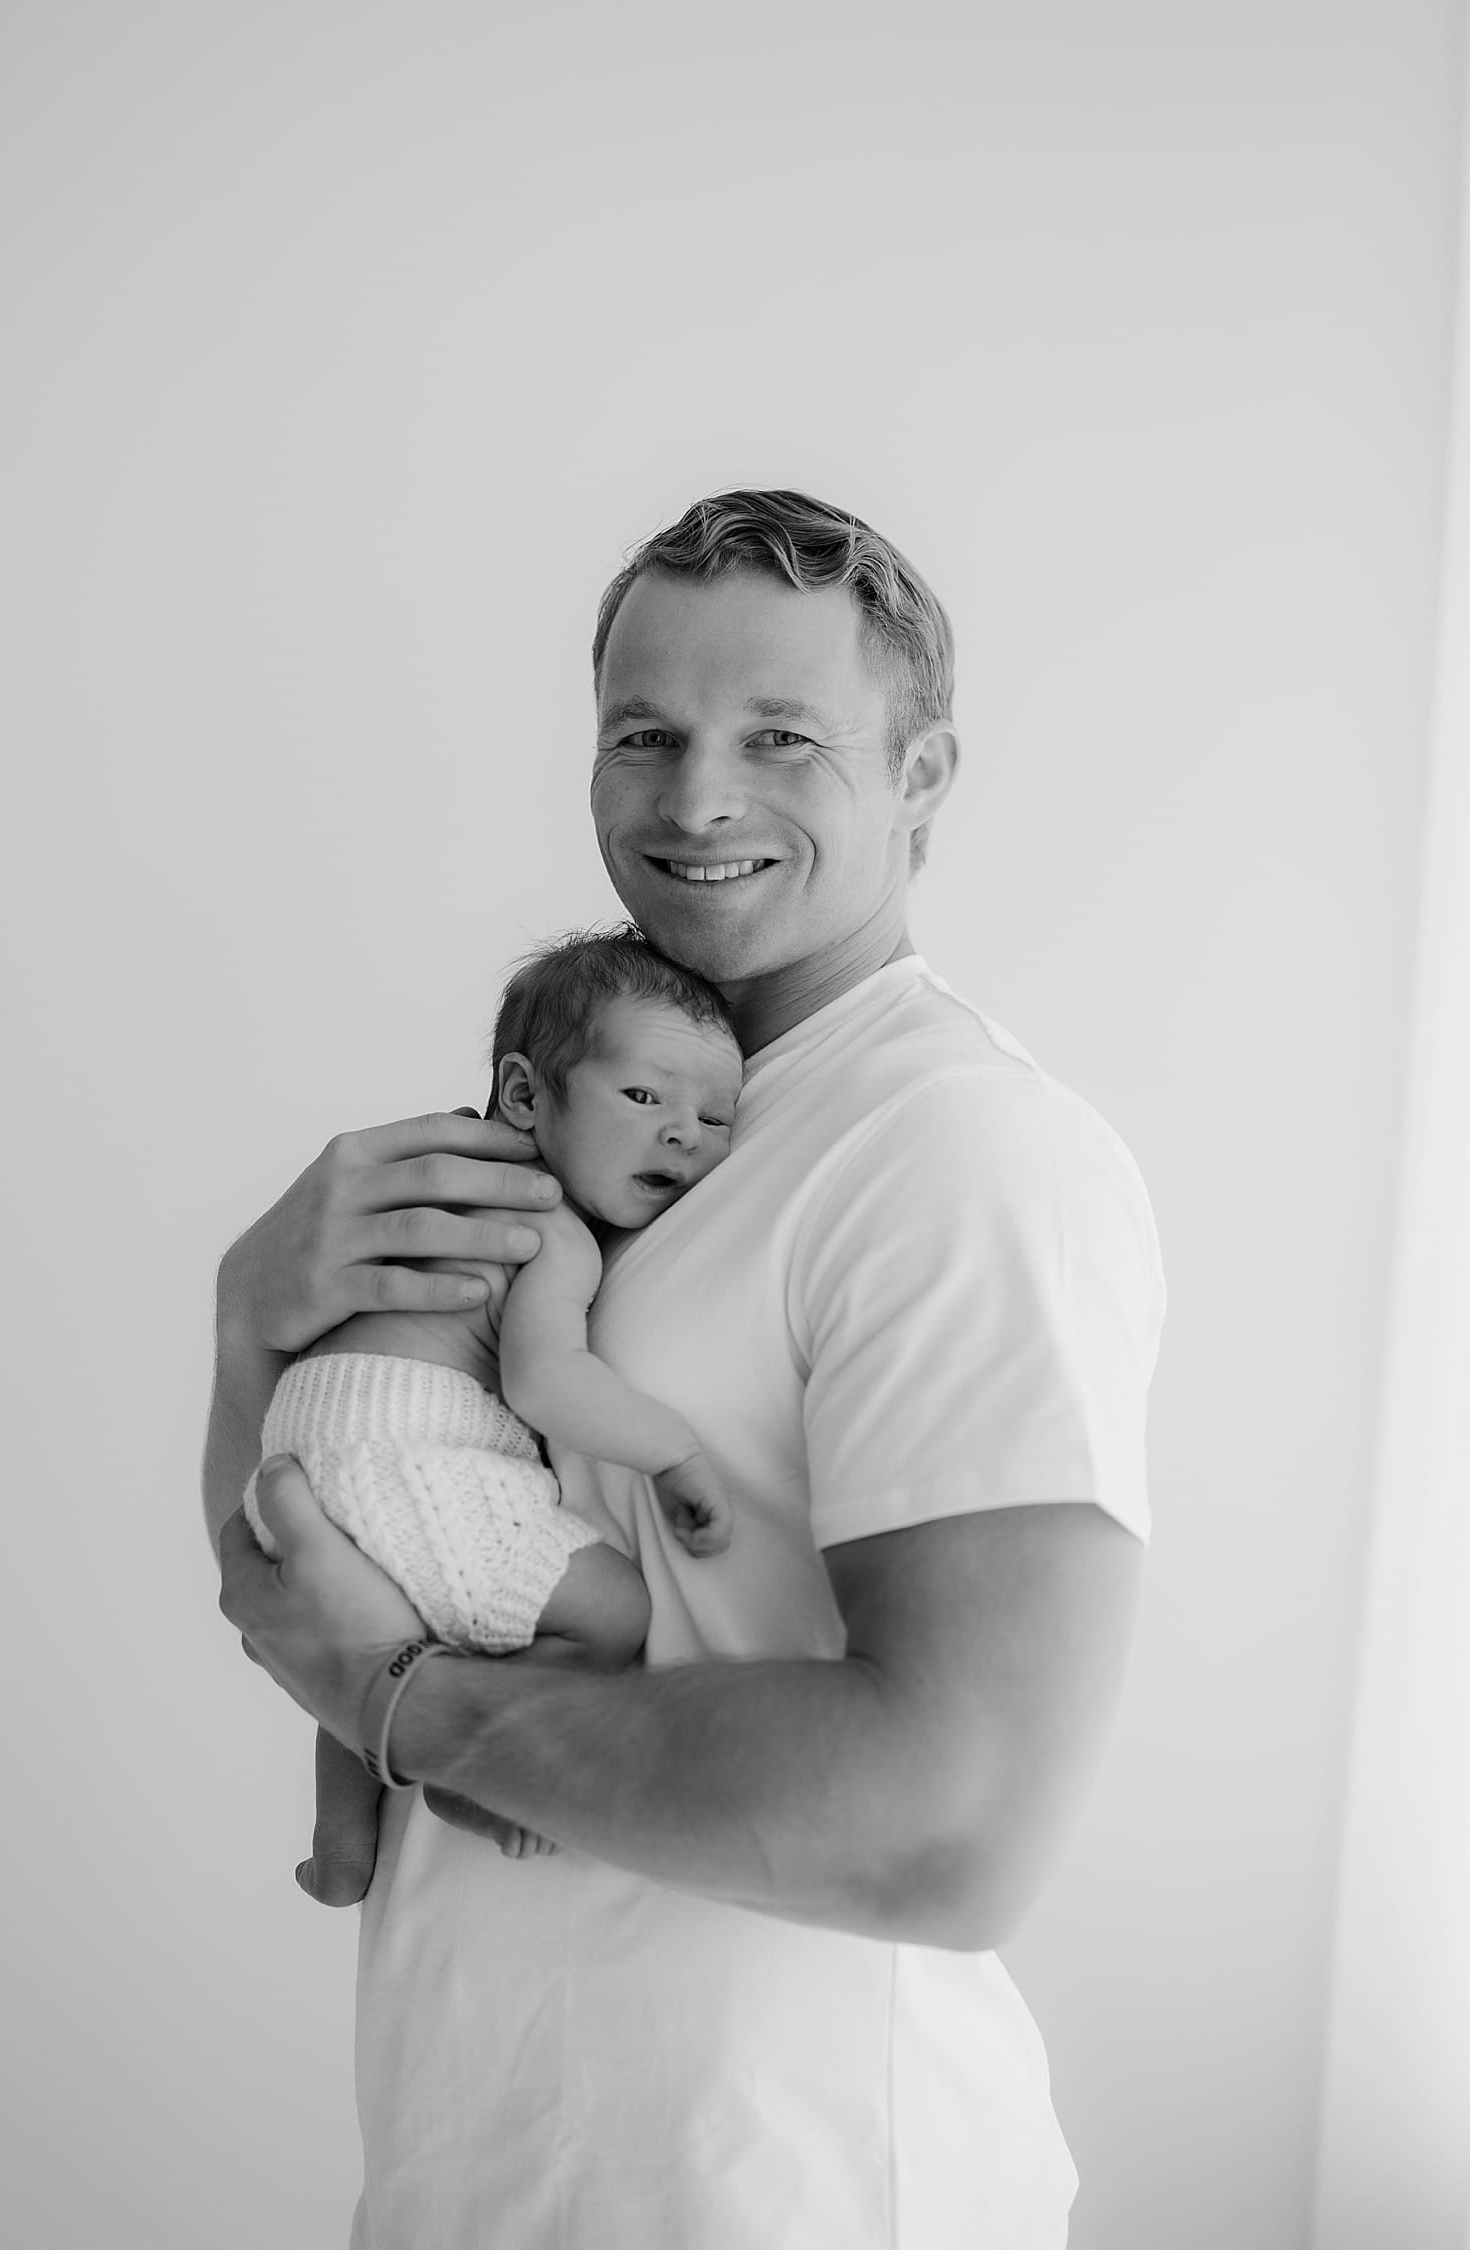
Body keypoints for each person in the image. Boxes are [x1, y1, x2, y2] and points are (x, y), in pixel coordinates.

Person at [211, 488, 1166, 2250]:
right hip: (483, 2166)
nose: (696, 798)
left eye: (782, 737)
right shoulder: (606, 1111)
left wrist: (417, 1716)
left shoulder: (958, 1152)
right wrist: (245, 1326)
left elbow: (956, 1821)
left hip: (789, 2194)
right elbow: (295, 1578)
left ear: (926, 774)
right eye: (644, 733)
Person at [242, 927, 744, 1901]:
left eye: (716, 1117)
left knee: (367, 1632)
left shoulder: (424, 1183)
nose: (683, 1132)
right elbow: (546, 1384)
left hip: (301, 1449)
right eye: (645, 1097)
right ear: (523, 1095)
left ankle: (342, 1851)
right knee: (611, 1612)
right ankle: (476, 1773)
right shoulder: (549, 1227)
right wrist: (673, 1452)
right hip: (406, 1449)